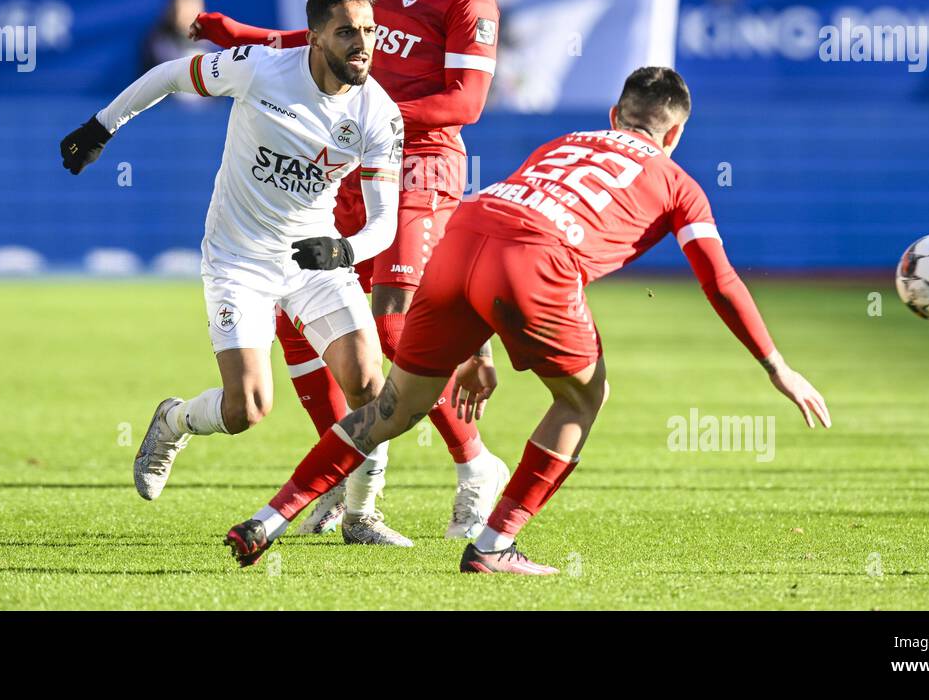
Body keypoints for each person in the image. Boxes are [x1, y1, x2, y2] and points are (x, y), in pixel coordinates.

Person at [224, 67, 832, 574]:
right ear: (675, 132)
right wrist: (776, 366)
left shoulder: (566, 141)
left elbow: (501, 228)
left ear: (616, 113)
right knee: (583, 397)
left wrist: (477, 351)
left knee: (396, 408)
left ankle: (268, 519)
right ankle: (494, 545)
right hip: (535, 260)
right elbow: (719, 280)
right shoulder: (678, 182)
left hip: (465, 233)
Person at [191, 0, 508, 540]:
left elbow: (468, 102)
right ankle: (349, 484)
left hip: (421, 164)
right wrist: (246, 37)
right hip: (353, 157)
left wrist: (377, 113)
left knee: (394, 328)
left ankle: (476, 464)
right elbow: (324, 47)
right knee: (297, 296)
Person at [59, 0, 413, 547]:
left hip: (313, 259)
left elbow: (384, 223)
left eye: (370, 32)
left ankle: (361, 514)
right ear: (316, 37)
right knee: (247, 408)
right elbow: (173, 74)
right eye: (348, 32)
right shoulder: (262, 70)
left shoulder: (379, 114)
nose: (363, 44)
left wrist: (345, 250)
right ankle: (174, 420)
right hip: (239, 257)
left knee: (371, 383)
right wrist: (102, 126)